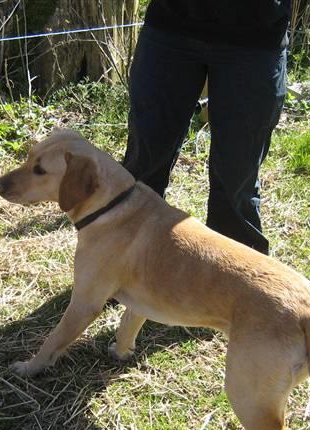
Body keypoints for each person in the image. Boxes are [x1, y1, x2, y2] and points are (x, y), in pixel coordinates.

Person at [123, 0, 291, 255]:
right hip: (171, 24)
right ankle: (123, 264)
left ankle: (233, 281)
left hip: (256, 31)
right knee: (144, 161)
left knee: (237, 173)